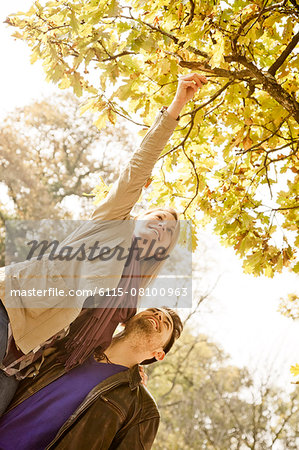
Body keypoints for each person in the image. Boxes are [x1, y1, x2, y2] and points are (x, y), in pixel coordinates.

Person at [0, 73, 207, 414]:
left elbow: (111, 339)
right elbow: (138, 166)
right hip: (12, 311)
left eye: (168, 233)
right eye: (157, 220)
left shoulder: (131, 293)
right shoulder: (112, 223)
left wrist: (130, 361)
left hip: (25, 359)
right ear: (139, 216)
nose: (160, 230)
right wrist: (177, 106)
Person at [0, 307, 183, 449]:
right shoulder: (73, 346)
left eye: (165, 323)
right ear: (126, 321)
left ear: (159, 354)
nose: (158, 315)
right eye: (154, 310)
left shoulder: (142, 410)